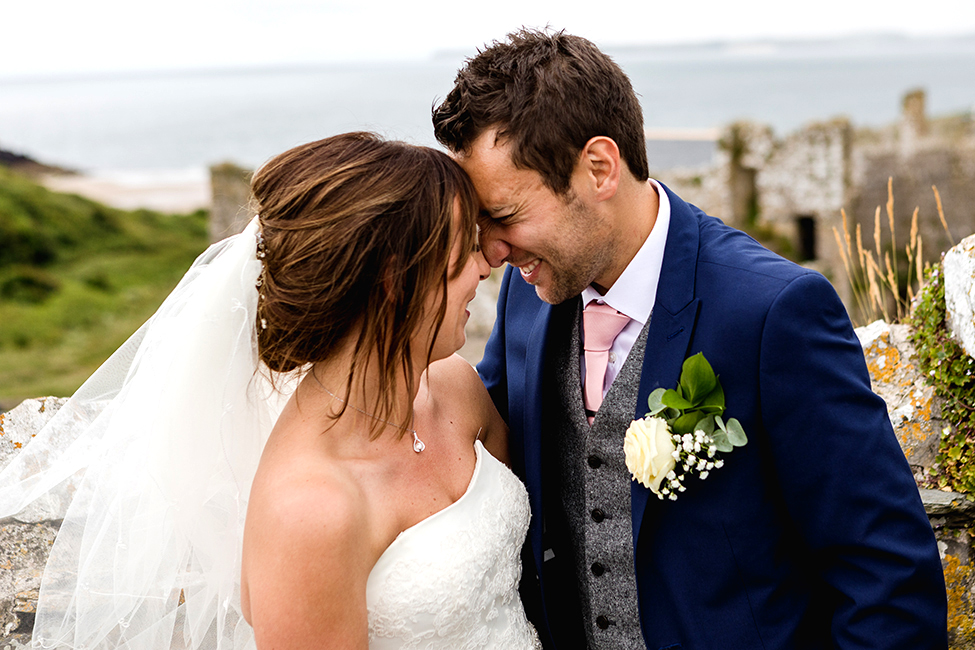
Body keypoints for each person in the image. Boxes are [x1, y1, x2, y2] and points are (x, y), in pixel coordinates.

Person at [432, 29, 948, 649]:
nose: (491, 251)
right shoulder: (525, 296)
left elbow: (887, 572)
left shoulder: (773, 313)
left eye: (507, 216)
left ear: (599, 168)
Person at [0, 133, 541, 649]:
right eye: (460, 253)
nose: (487, 264)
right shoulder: (309, 508)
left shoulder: (458, 388)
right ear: (394, 281)